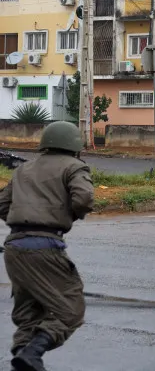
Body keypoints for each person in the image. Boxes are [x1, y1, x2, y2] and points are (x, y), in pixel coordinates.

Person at [0, 121, 94, 370]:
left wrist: (23, 220)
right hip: (45, 247)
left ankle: (23, 355)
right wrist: (68, 215)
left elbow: (2, 204)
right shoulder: (75, 167)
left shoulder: (24, 169)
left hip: (14, 246)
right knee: (71, 308)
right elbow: (83, 198)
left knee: (27, 311)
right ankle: (33, 352)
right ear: (75, 145)